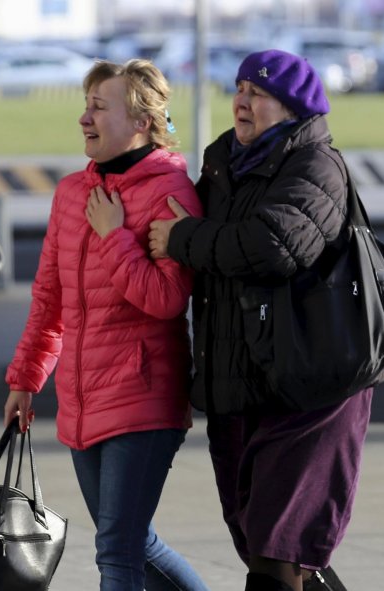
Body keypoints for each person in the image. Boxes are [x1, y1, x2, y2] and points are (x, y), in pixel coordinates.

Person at [148, 49, 368, 591]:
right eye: (240, 89)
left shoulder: (316, 166)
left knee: (276, 550)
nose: (242, 103)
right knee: (267, 548)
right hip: (242, 384)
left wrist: (183, 238)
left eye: (258, 94)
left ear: (292, 109)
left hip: (308, 386)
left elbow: (272, 247)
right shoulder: (223, 161)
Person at [3, 59, 208, 591]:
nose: (83, 118)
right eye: (86, 104)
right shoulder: (73, 192)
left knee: (115, 553)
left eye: (99, 106)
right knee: (134, 544)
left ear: (141, 120)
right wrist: (26, 379)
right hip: (81, 397)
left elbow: (166, 300)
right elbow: (50, 298)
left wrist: (115, 236)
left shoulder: (172, 192)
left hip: (143, 397)